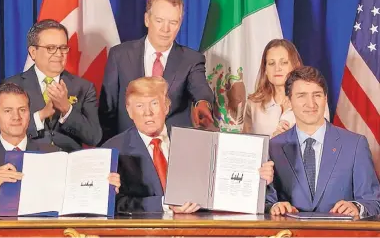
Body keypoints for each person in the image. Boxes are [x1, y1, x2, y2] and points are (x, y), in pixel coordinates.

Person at [102, 77, 274, 213]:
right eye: (139, 106)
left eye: (154, 103)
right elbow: (116, 204)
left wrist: (257, 178)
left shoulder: (196, 141)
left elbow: (220, 185)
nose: (148, 112)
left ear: (167, 107)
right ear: (129, 111)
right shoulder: (113, 150)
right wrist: (166, 204)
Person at [0, 83, 120, 221]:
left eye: (22, 110)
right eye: (8, 111)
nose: (16, 117)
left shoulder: (53, 154)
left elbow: (75, 204)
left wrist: (105, 190)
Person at [99, 0, 214, 144]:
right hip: (128, 149)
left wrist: (202, 104)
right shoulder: (119, 55)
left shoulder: (191, 59)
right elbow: (108, 109)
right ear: (147, 19)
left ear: (179, 24)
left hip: (172, 148)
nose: (165, 29)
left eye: (173, 22)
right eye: (159, 20)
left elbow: (201, 90)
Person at [266, 67, 380, 218]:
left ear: (325, 98)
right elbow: (265, 201)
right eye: (301, 96)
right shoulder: (273, 147)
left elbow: (373, 201)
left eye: (317, 95)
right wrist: (274, 206)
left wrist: (356, 208)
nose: (311, 103)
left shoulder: (355, 145)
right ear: (289, 101)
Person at [0, 19, 102, 152]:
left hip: (68, 165)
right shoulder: (12, 86)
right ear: (33, 52)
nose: (59, 54)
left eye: (63, 48)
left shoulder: (83, 87)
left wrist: (67, 109)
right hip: (29, 164)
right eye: (50, 48)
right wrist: (40, 115)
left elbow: (94, 137)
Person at [243, 39, 330, 137]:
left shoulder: (314, 99)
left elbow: (322, 139)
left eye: (284, 62)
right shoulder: (254, 103)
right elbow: (246, 145)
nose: (277, 68)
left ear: (295, 65)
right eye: (271, 63)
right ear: (265, 70)